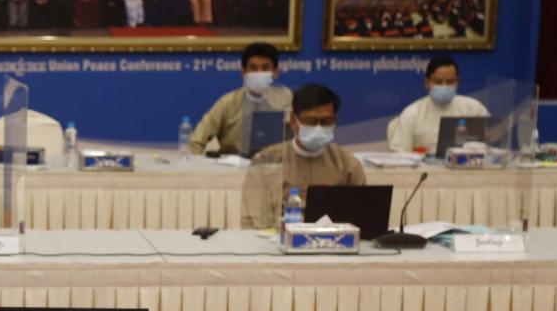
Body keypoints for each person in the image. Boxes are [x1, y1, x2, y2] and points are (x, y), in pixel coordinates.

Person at [248, 83, 368, 228]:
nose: (318, 127)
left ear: (335, 121)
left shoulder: (348, 164)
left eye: (326, 121)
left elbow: (362, 217)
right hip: (276, 238)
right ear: (294, 121)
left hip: (334, 240)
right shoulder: (266, 160)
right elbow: (251, 219)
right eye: (310, 122)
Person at [188, 42, 293, 156]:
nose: (259, 73)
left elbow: (297, 138)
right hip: (233, 163)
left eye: (265, 68)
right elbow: (196, 141)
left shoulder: (286, 98)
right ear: (244, 72)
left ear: (275, 72)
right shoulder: (228, 102)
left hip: (274, 163)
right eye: (253, 68)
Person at [386, 54, 489, 153]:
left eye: (450, 82)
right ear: (427, 83)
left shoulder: (474, 109)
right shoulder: (412, 114)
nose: (444, 86)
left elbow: (490, 147)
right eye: (438, 82)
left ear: (457, 82)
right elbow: (400, 154)